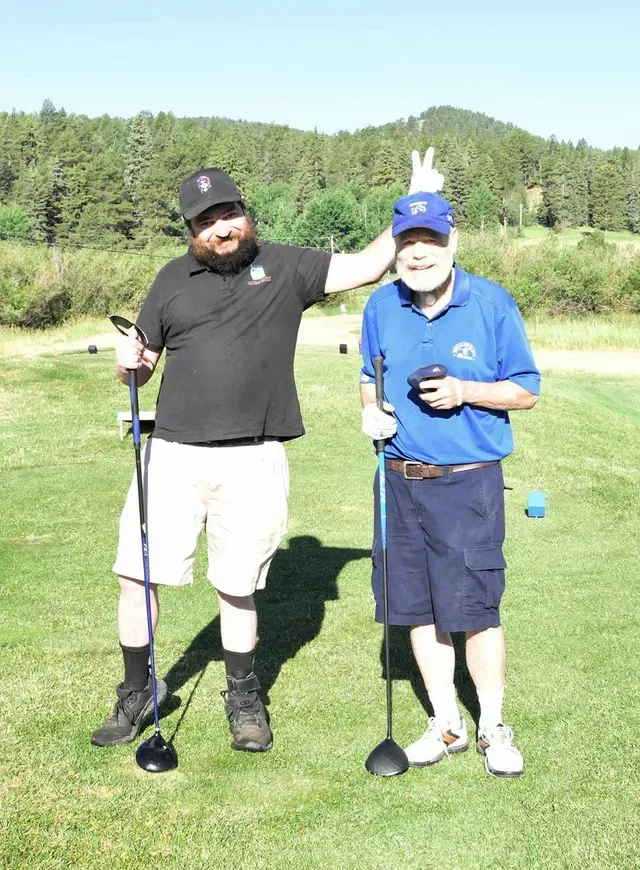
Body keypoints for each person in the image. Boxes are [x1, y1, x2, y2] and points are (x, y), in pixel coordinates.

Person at [91, 155, 444, 754]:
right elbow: (143, 363)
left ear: (245, 214)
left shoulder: (287, 265)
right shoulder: (170, 280)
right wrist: (129, 362)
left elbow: (365, 264)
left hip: (253, 457)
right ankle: (136, 690)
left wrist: (409, 203)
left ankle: (243, 694)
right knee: (138, 576)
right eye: (206, 221)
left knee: (237, 586)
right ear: (190, 230)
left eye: (229, 213)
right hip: (172, 455)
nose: (221, 228)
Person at [360, 190, 540, 777]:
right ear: (396, 250)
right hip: (399, 479)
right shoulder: (381, 307)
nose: (418, 255)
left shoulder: (491, 303)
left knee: (476, 609)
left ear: (452, 242)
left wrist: (466, 391)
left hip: (469, 484)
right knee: (415, 608)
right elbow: (370, 376)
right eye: (407, 243)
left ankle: (492, 726)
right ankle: (445, 723)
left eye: (429, 241)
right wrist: (371, 411)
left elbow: (526, 389)